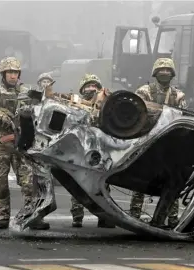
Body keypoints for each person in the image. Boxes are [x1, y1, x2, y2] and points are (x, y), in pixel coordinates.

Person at [0, 57, 49, 230]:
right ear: (3, 74)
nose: (13, 76)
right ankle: (3, 217)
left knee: (29, 183)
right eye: (9, 72)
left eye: (15, 72)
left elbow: (42, 110)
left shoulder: (26, 92)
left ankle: (33, 216)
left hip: (21, 144)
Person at [129, 58, 187, 228]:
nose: (164, 73)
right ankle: (134, 215)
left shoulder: (178, 95)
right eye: (161, 71)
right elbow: (136, 113)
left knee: (173, 181)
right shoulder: (144, 92)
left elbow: (183, 117)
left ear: (172, 74)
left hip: (170, 144)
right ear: (155, 73)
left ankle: (172, 218)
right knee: (141, 179)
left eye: (168, 71)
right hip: (147, 141)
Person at [70, 73, 115, 228]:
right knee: (77, 181)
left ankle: (104, 217)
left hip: (100, 149)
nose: (92, 88)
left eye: (95, 86)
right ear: (82, 89)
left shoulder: (105, 103)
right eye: (88, 86)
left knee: (102, 183)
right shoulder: (74, 103)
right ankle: (77, 216)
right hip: (81, 148)